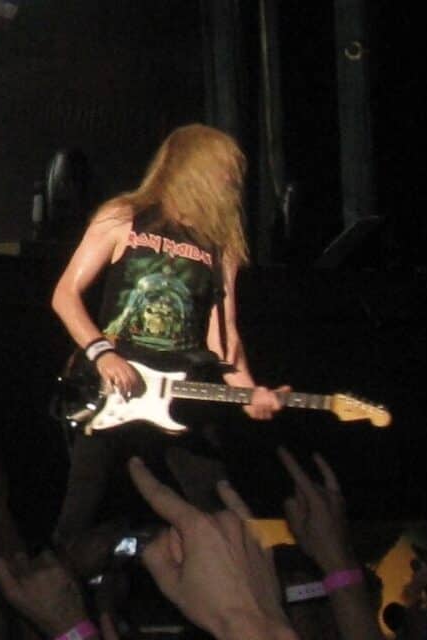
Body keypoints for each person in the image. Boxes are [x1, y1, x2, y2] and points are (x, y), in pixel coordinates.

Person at [49, 123, 287, 562]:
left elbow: (224, 335)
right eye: (224, 169)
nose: (231, 181)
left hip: (181, 394)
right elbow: (65, 295)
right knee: (83, 514)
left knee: (216, 512)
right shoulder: (124, 216)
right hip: (113, 389)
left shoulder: (219, 245)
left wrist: (249, 392)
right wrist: (103, 354)